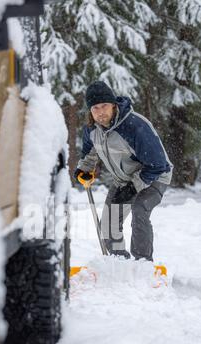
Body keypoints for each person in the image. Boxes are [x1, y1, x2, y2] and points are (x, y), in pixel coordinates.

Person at [74, 80, 173, 262]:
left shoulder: (135, 126)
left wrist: (133, 188)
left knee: (139, 209)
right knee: (109, 223)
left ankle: (143, 263)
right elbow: (89, 152)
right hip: (124, 180)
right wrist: (84, 169)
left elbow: (158, 164)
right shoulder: (91, 131)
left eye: (104, 106)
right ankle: (118, 262)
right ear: (90, 111)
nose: (100, 112)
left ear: (113, 105)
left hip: (155, 177)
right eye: (95, 108)